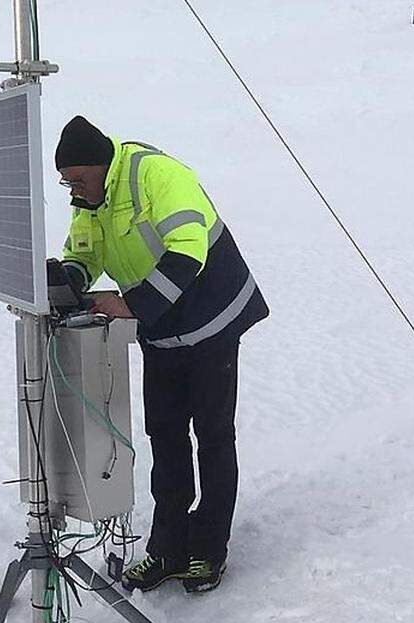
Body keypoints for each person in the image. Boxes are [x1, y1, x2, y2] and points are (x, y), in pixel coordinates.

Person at [54, 115, 269, 593]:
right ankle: (167, 550)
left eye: (78, 178)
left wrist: (130, 305)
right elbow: (84, 251)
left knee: (213, 437)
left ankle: (209, 551)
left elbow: (187, 250)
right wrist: (70, 278)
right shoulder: (91, 199)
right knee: (166, 438)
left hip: (213, 320)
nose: (74, 188)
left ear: (99, 163)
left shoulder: (156, 175)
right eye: (67, 181)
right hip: (163, 330)